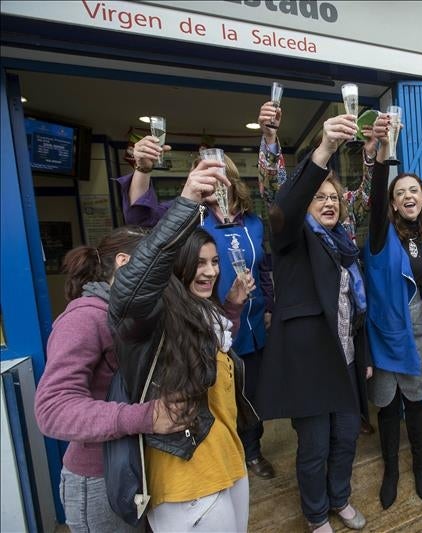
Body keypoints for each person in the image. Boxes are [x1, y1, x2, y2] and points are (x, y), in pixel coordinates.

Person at [118, 119, 277, 478]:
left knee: (249, 392)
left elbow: (264, 269)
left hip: (250, 324)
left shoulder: (252, 222)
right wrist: (142, 170)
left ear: (232, 179)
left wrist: (269, 308)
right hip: (202, 325)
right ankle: (220, 452)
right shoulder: (189, 216)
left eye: (219, 173)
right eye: (203, 173)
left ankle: (252, 451)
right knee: (213, 392)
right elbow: (142, 221)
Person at [108, 158, 259, 531]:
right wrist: (188, 201)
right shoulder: (151, 316)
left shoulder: (203, 313)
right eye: (199, 263)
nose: (210, 271)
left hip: (224, 457)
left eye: (214, 262)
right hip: (185, 476)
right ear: (175, 268)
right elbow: (130, 294)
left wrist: (234, 307)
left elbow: (220, 351)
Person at [257, 114, 372, 533]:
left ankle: (339, 498)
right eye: (318, 196)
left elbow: (353, 309)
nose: (327, 202)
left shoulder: (344, 244)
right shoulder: (290, 241)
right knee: (314, 449)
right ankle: (316, 513)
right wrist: (324, 150)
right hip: (308, 366)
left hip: (342, 361)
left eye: (333, 198)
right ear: (305, 202)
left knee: (345, 440)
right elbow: (285, 203)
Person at [34, 227, 180, 533]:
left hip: (136, 468)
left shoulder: (134, 316)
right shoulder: (84, 318)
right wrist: (146, 416)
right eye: (159, 266)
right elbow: (52, 410)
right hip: (100, 482)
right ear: (125, 262)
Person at [364, 129, 422, 510]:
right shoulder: (380, 234)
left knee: (417, 403)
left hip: (419, 332)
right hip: (385, 334)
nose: (408, 197)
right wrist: (384, 153)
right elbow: (376, 198)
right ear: (392, 204)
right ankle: (391, 471)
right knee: (389, 407)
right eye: (400, 194)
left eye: (414, 191)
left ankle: (420, 466)